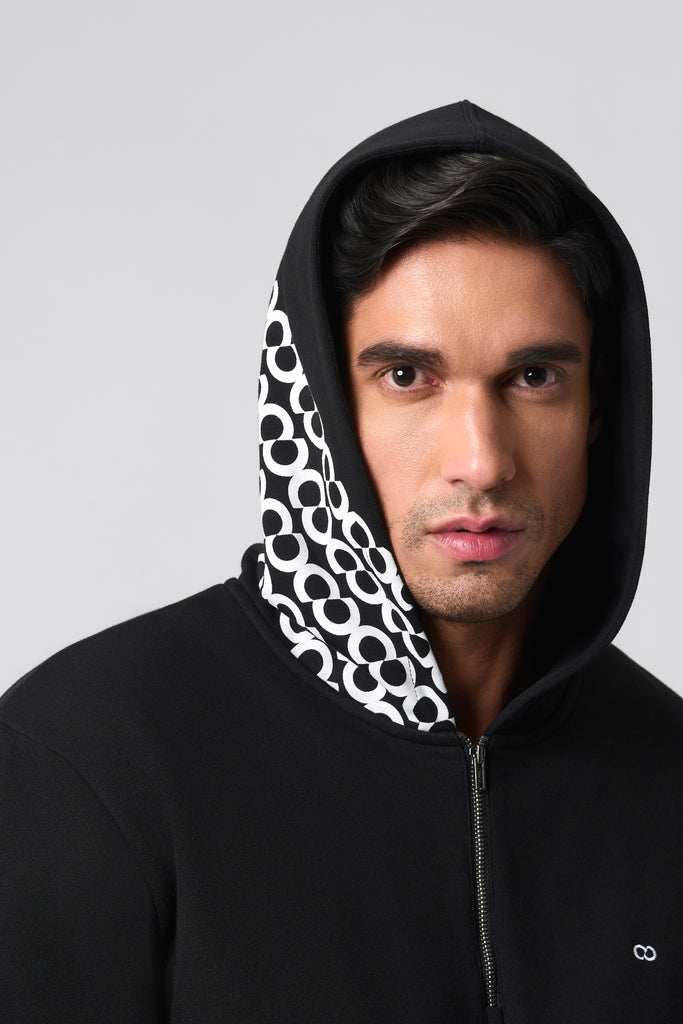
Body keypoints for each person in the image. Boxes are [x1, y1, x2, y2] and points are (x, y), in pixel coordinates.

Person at [1, 100, 681, 1023]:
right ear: (316, 403)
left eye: (533, 377)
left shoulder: (665, 771)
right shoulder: (84, 760)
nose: (481, 461)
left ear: (596, 409)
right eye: (407, 377)